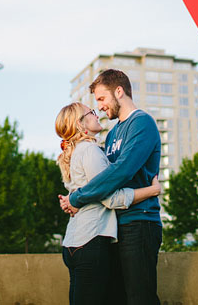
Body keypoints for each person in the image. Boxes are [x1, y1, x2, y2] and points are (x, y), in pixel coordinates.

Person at [59, 69, 163, 304]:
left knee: (140, 297)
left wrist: (77, 198)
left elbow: (120, 171)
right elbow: (97, 178)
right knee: (118, 297)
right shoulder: (113, 131)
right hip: (114, 226)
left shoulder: (142, 123)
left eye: (102, 99)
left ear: (119, 91)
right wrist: (74, 195)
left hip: (139, 221)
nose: (101, 106)